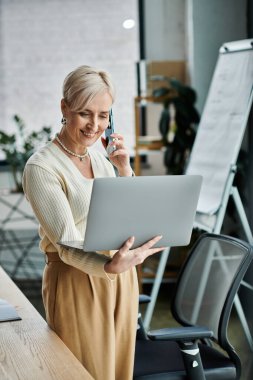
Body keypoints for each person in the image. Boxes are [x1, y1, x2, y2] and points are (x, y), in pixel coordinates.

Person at [22, 65, 165, 380]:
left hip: (120, 274)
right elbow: (67, 244)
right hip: (77, 280)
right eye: (85, 114)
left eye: (104, 115)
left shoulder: (100, 159)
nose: (95, 125)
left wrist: (124, 169)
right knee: (87, 373)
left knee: (119, 372)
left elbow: (126, 214)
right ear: (64, 108)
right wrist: (107, 267)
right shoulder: (42, 168)